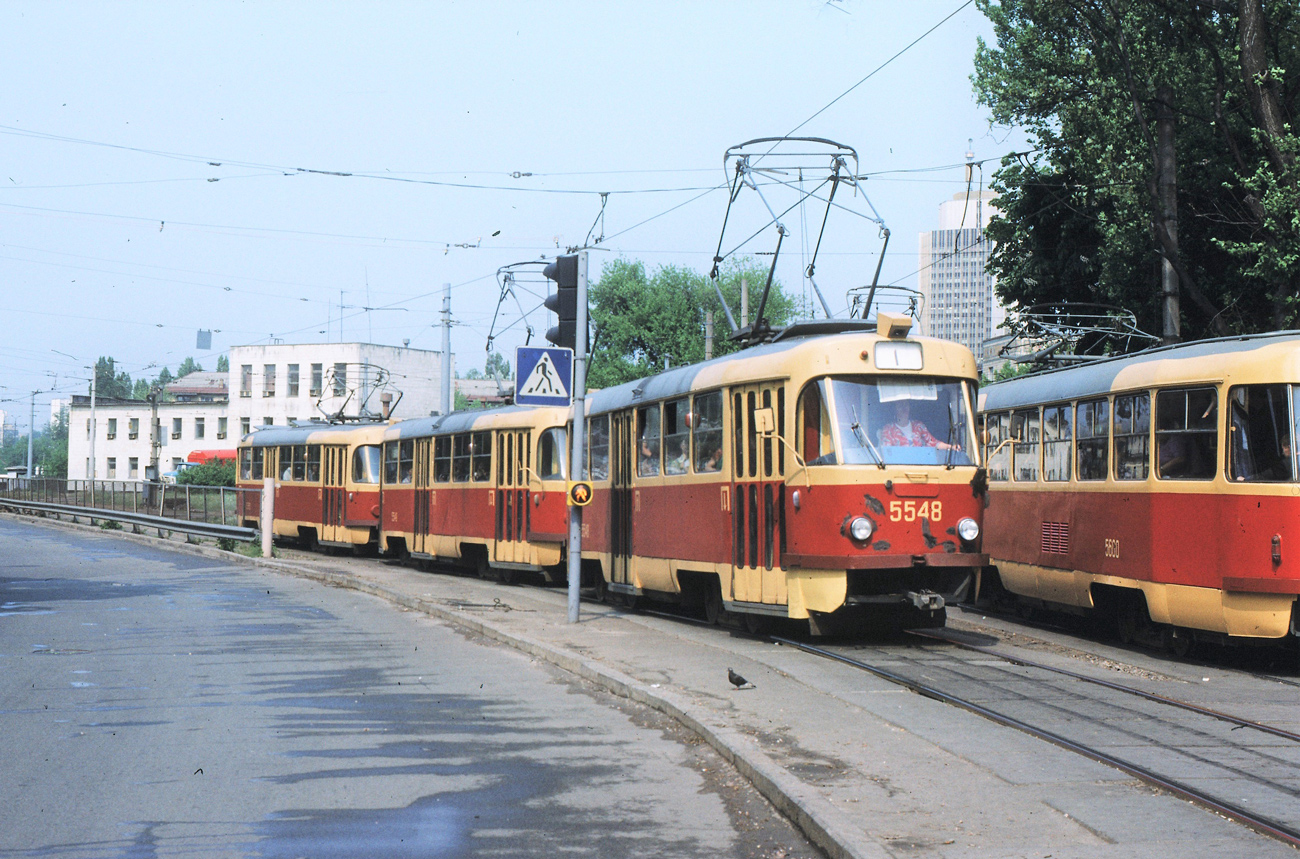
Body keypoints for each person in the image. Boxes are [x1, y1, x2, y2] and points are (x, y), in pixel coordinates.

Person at [878, 400, 956, 450]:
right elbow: (887, 451)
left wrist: (951, 447)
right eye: (900, 406)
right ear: (894, 410)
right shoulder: (888, 429)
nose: (904, 408)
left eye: (906, 405)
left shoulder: (918, 425)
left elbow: (933, 443)